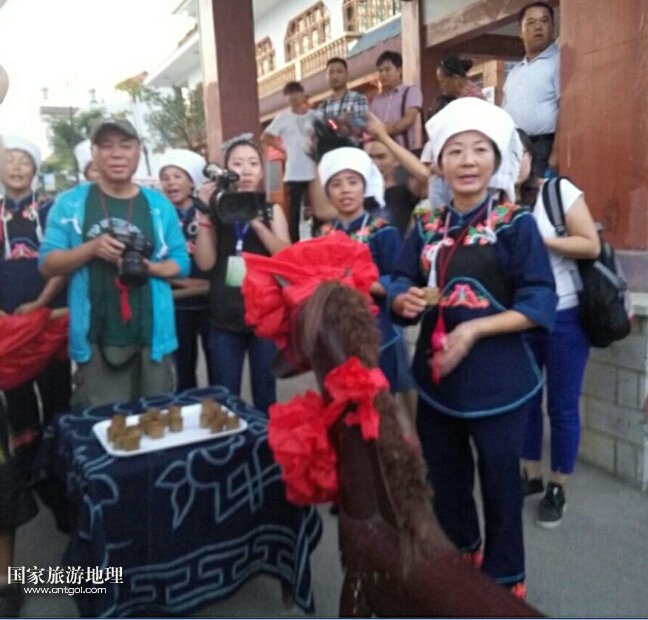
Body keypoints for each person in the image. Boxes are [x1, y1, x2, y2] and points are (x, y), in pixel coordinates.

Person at [388, 97, 557, 596]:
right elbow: (399, 277)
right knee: (446, 482)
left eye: (479, 150)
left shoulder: (515, 224)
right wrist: (401, 299)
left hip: (501, 383)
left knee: (502, 488)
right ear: (439, 162)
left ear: (497, 160)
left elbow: (539, 301)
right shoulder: (426, 224)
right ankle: (462, 559)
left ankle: (505, 582)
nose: (467, 161)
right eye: (455, 150)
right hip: (439, 382)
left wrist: (475, 330)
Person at [40, 118, 189, 408]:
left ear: (138, 152)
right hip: (96, 339)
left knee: (154, 421)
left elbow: (181, 263)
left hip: (152, 337)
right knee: (103, 424)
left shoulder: (159, 205)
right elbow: (47, 264)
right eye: (106, 146)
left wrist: (150, 267)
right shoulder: (70, 204)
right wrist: (91, 249)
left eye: (126, 145)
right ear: (93, 154)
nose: (117, 154)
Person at [0, 135, 70, 617]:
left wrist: (42, 304)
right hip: (7, 330)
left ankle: (63, 490)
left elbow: (64, 262)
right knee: (21, 409)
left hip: (49, 320)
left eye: (24, 160)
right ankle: (28, 483)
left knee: (59, 403)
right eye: (9, 160)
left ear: (35, 168)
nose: (16, 167)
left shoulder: (50, 211)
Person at [515, 129, 600, 528]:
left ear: (529, 156)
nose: (510, 162)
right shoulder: (499, 202)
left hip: (564, 315)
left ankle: (558, 485)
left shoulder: (557, 191)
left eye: (516, 153)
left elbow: (590, 244)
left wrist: (540, 242)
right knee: (526, 401)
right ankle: (530, 474)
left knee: (562, 406)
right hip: (520, 317)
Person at [194, 135, 290, 413]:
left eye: (253, 163)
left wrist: (257, 225)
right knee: (224, 398)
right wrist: (204, 216)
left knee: (266, 395)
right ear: (225, 171)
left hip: (265, 317)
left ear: (261, 171)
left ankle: (264, 441)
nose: (246, 170)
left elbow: (286, 259)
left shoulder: (271, 210)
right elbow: (205, 263)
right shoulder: (215, 211)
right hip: (224, 315)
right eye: (237, 164)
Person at [158, 148, 214, 392]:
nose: (171, 182)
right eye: (165, 177)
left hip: (211, 302)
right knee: (183, 371)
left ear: (192, 181)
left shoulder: (208, 210)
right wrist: (182, 283)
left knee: (218, 367)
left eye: (177, 176)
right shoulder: (158, 215)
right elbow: (153, 260)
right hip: (176, 304)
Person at [503, 1, 560, 178]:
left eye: (544, 21)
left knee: (536, 193)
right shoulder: (514, 72)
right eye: (531, 22)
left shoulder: (558, 61)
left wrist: (557, 150)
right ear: (520, 32)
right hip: (515, 147)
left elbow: (566, 108)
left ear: (553, 27)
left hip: (543, 147)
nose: (538, 27)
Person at [261, 81, 318, 242]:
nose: (293, 96)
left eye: (296, 92)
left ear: (302, 93)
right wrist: (282, 149)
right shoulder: (283, 117)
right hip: (294, 171)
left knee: (317, 208)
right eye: (289, 94)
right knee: (294, 212)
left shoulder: (314, 116)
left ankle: (318, 239)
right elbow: (265, 137)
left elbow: (324, 133)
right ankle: (294, 244)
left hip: (313, 170)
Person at [369, 51, 423, 154]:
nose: (383, 74)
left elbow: (408, 120)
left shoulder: (411, 92)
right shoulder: (376, 101)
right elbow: (371, 127)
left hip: (407, 152)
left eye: (387, 69)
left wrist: (383, 130)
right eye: (380, 71)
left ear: (399, 70)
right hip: (383, 154)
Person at [364, 139, 419, 237]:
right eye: (370, 157)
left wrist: (383, 136)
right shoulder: (355, 196)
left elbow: (425, 177)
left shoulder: (407, 193)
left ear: (397, 160)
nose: (374, 163)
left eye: (381, 157)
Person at [318, 57, 369, 144]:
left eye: (339, 72)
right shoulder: (322, 106)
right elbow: (319, 131)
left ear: (347, 75)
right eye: (331, 72)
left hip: (353, 148)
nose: (334, 76)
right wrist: (341, 123)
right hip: (330, 149)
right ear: (326, 77)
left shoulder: (358, 99)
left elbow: (363, 127)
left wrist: (346, 123)